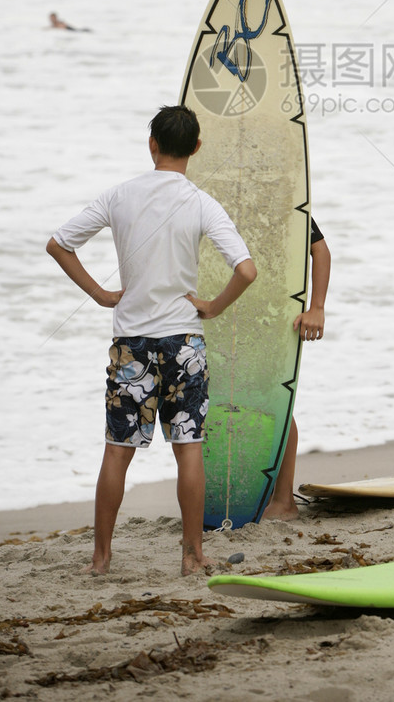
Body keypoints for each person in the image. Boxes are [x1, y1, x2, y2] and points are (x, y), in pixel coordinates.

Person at [46, 105, 257, 576]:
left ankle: (100, 560)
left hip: (132, 345)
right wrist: (214, 305)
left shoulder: (120, 195)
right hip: (184, 340)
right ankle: (192, 557)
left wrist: (101, 294)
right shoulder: (201, 202)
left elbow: (59, 243)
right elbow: (247, 270)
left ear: (152, 145)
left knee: (117, 451)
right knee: (189, 449)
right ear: (197, 149)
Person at [262, 218, 331, 520]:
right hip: (229, 314)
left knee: (275, 402)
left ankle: (284, 500)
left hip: (276, 314)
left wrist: (316, 307)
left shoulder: (279, 195)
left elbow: (321, 250)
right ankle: (253, 494)